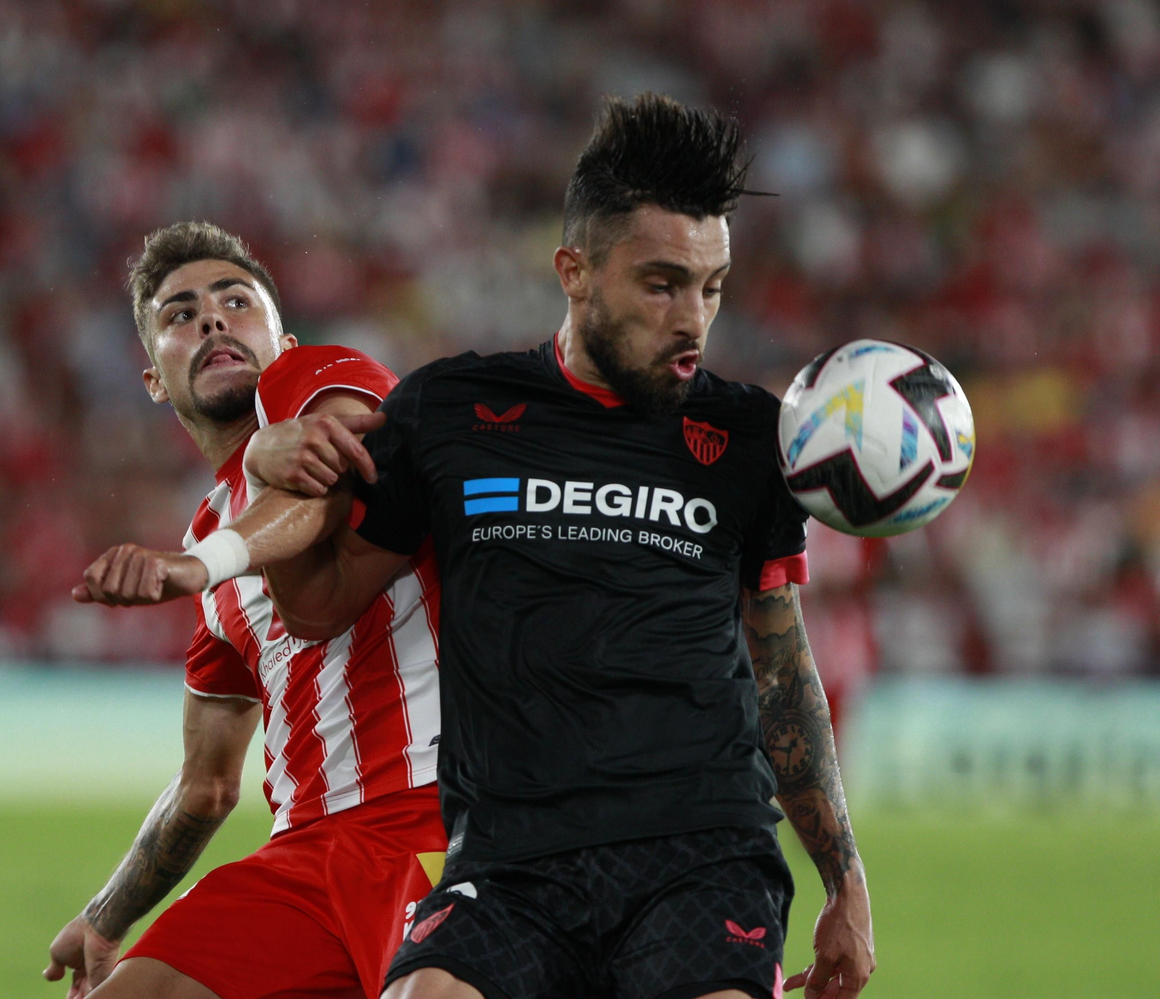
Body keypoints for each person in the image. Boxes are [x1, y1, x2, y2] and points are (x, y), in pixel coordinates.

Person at [81, 95, 876, 999]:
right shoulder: (453, 412)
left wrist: (845, 881)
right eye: (662, 284)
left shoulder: (747, 435)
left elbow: (781, 668)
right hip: (504, 855)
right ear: (573, 271)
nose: (693, 318)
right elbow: (307, 618)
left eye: (713, 287)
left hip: (690, 845)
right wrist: (259, 480)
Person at [43, 221, 445, 999]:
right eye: (180, 314)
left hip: (432, 818)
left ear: (281, 338)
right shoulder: (210, 538)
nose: (213, 320)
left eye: (236, 301)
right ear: (155, 379)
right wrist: (104, 916)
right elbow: (206, 784)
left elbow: (321, 476)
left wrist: (195, 568)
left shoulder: (321, 377)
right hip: (303, 859)